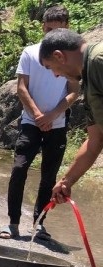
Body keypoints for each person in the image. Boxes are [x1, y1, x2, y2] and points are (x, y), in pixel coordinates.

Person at [0, 6, 80, 240]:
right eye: (49, 29)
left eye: (58, 29)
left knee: (49, 175)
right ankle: (13, 223)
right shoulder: (30, 52)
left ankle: (39, 224)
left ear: (66, 27)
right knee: (19, 168)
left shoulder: (71, 58)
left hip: (57, 124)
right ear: (43, 27)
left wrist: (52, 115)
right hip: (30, 122)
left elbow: (73, 91)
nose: (52, 34)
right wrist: (37, 115)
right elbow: (21, 87)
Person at [40, 29, 103, 204]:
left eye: (51, 67)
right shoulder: (89, 79)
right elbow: (94, 141)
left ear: (59, 56)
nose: (56, 75)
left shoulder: (99, 60)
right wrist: (67, 180)